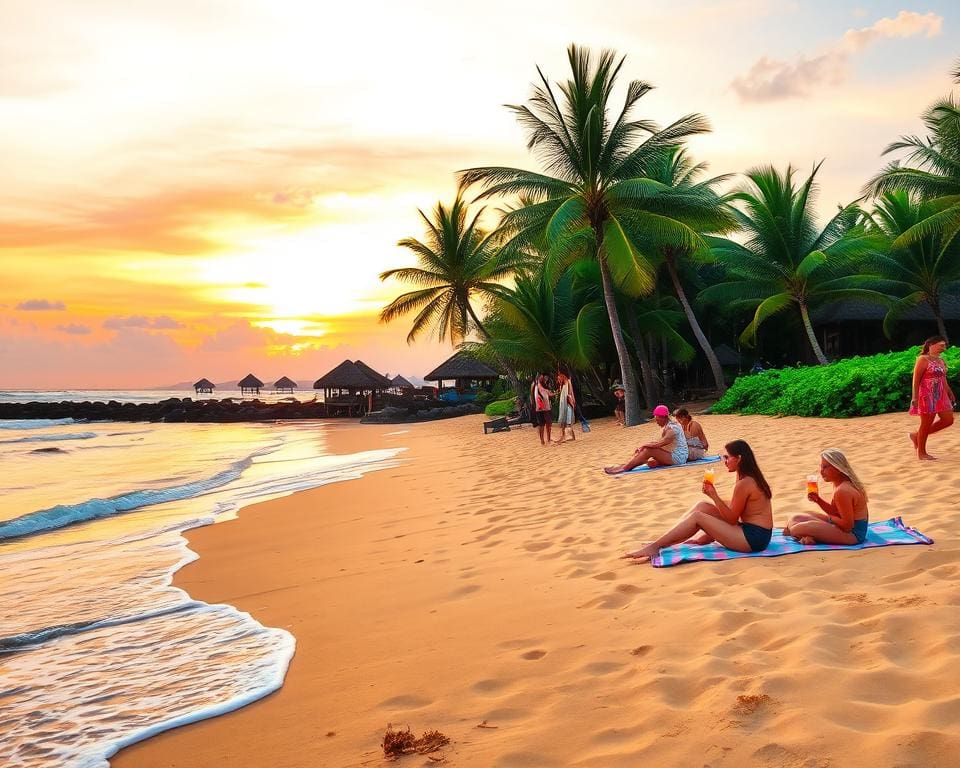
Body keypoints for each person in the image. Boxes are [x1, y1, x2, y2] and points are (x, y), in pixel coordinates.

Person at [623, 440, 773, 562]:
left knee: (698, 517)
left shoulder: (745, 482)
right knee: (702, 506)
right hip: (752, 531)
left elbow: (732, 519)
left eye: (727, 457)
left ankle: (656, 546)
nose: (724, 461)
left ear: (739, 458)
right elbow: (738, 507)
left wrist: (714, 496)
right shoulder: (746, 476)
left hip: (754, 539)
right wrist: (709, 532)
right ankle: (662, 541)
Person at [782, 449, 869, 546]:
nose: (821, 471)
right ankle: (808, 536)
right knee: (796, 517)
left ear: (838, 468)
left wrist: (829, 519)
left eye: (825, 467)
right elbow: (835, 512)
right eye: (821, 467)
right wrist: (818, 500)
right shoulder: (840, 484)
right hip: (844, 528)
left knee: (795, 529)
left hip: (853, 536)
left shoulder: (842, 491)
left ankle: (807, 536)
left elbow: (847, 526)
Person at [604, 405, 687, 474]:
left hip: (679, 458)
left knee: (648, 450)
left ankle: (625, 468)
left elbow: (659, 444)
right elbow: (659, 442)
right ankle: (626, 465)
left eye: (657, 420)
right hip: (672, 453)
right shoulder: (668, 425)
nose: (657, 422)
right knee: (650, 461)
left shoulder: (672, 429)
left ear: (664, 418)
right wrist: (644, 446)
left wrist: (644, 445)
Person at [909, 335, 955, 460]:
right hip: (927, 394)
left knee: (948, 420)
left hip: (941, 394)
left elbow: (943, 378)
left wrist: (949, 392)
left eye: (945, 346)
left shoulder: (940, 360)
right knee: (926, 423)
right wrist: (914, 397)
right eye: (941, 345)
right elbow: (916, 380)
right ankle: (922, 453)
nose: (944, 348)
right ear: (931, 345)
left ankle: (916, 436)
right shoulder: (923, 359)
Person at [555, 371, 577, 443]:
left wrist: (572, 402)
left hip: (567, 403)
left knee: (568, 420)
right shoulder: (562, 384)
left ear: (562, 375)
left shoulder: (568, 382)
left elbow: (570, 394)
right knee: (564, 421)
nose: (559, 380)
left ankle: (569, 437)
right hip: (563, 404)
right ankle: (564, 437)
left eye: (559, 378)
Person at [533, 373, 554, 446]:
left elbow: (549, 394)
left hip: (547, 408)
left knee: (549, 424)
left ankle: (548, 438)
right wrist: (540, 406)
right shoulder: (537, 386)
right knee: (542, 425)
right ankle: (542, 440)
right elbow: (536, 397)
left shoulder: (544, 386)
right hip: (541, 409)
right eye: (541, 378)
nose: (543, 379)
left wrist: (556, 393)